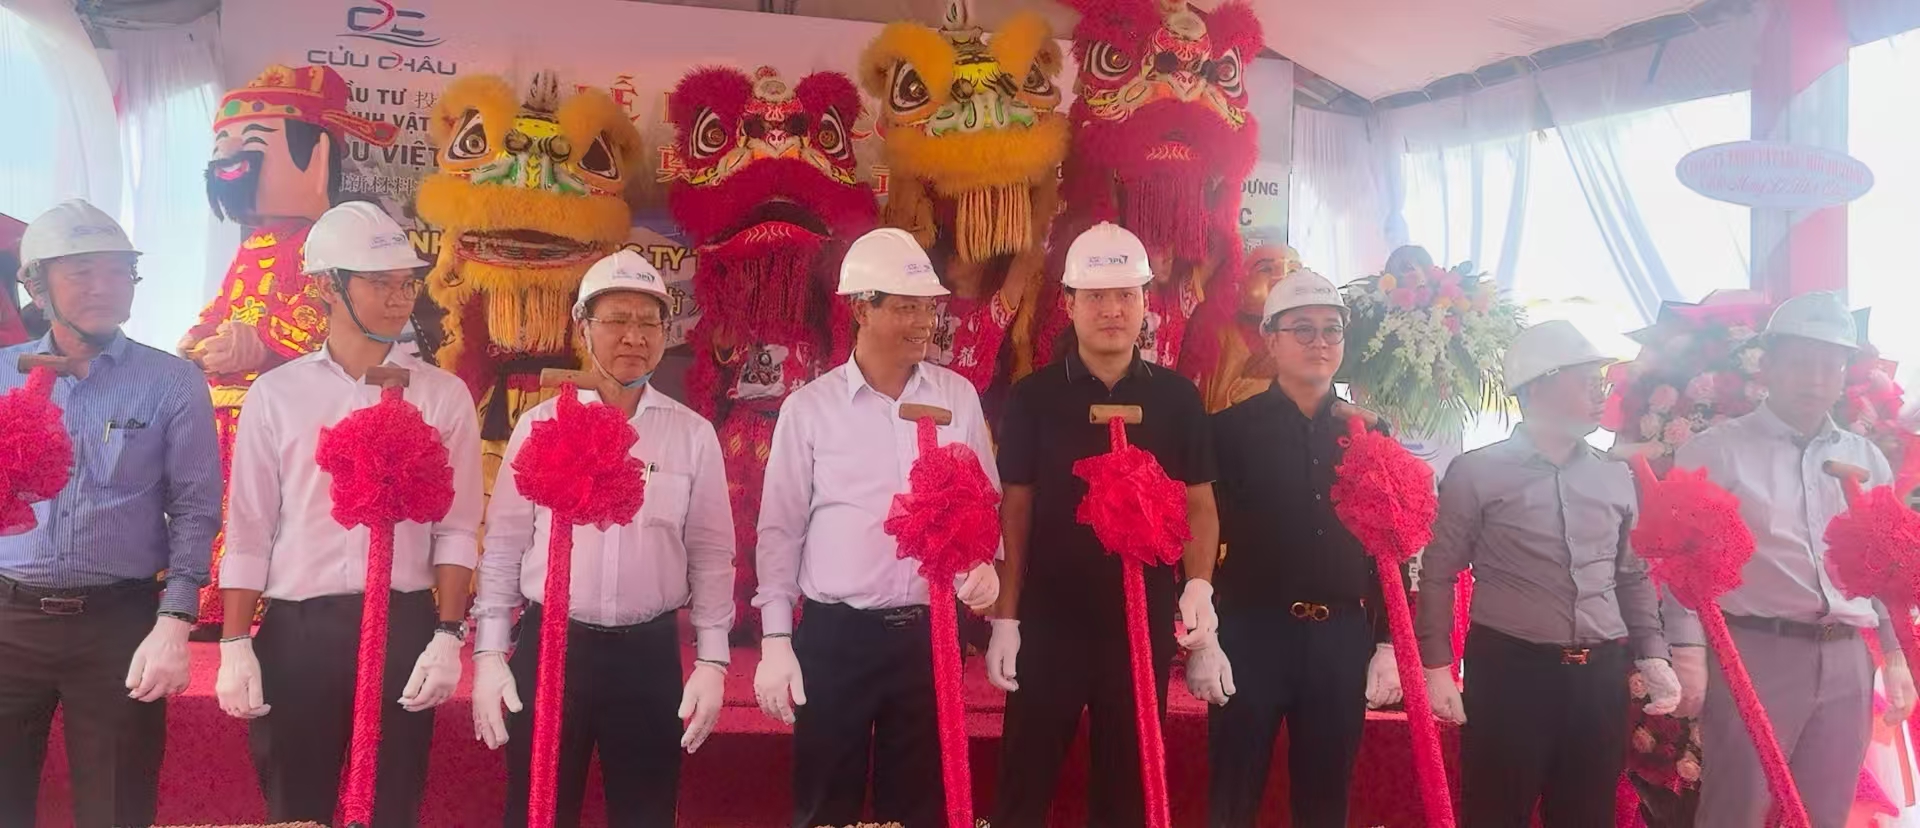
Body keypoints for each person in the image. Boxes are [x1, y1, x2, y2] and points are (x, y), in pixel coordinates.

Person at [214, 201, 484, 828]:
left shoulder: (443, 396)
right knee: (295, 808)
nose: (399, 298)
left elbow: (456, 529)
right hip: (300, 631)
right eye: (379, 282)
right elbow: (250, 529)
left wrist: (448, 635)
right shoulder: (277, 395)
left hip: (404, 627)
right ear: (327, 286)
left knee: (392, 807)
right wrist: (234, 642)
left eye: (406, 283)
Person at [472, 250, 735, 827]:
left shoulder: (691, 436)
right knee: (538, 812)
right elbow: (506, 545)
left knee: (646, 814)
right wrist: (489, 652)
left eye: (649, 322)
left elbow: (712, 555)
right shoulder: (539, 426)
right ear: (583, 327)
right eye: (617, 319)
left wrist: (713, 660)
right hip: (552, 646)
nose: (634, 337)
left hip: (648, 654)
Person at [753, 227, 1001, 828]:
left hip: (929, 633)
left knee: (920, 806)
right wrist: (776, 640)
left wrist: (983, 564)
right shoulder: (810, 409)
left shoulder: (958, 398)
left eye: (928, 309)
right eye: (906, 307)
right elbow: (780, 530)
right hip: (838, 638)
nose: (923, 323)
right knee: (825, 805)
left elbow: (982, 504)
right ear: (861, 309)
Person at [988, 222, 1220, 828]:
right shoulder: (1034, 397)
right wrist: (1006, 616)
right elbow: (1016, 508)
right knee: (1023, 785)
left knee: (1128, 793)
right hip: (1050, 622)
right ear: (1068, 304)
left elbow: (1198, 502)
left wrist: (1198, 585)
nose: (1112, 309)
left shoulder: (1177, 399)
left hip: (1141, 625)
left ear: (1146, 303)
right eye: (1095, 296)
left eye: (1125, 295)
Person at [0, 199, 220, 828]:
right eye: (82, 272)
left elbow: (196, 508)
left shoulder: (172, 381)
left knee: (118, 808)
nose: (105, 286)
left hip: (120, 626)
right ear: (36, 286)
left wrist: (176, 618)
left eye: (119, 271)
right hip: (8, 621)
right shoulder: (2, 377)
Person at [1667, 291, 1917, 828]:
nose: (1816, 378)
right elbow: (1677, 560)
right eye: (1802, 362)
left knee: (1824, 811)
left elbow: (1883, 566)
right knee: (1736, 808)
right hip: (1756, 651)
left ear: (1845, 373)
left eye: (1831, 365)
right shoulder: (1717, 451)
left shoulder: (1864, 457)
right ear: (1770, 363)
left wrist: (1896, 655)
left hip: (1848, 657)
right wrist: (1686, 651)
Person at [1415, 320, 1680, 827]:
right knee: (1495, 813)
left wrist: (1653, 653)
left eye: (1601, 382)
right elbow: (1439, 572)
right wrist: (1437, 666)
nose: (1600, 394)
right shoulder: (1477, 472)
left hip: (1600, 677)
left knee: (1588, 815)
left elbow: (1631, 574)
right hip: (1511, 672)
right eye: (1586, 381)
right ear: (1537, 386)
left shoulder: (1614, 474)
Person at [1203, 268, 1402, 828]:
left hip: (1340, 638)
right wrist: (1200, 635)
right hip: (1251, 632)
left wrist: (1387, 640)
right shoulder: (1227, 431)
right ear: (1271, 340)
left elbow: (1389, 544)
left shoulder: (1369, 434)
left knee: (1325, 801)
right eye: (1303, 329)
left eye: (1331, 329)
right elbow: (1201, 534)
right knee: (1232, 793)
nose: (1320, 342)